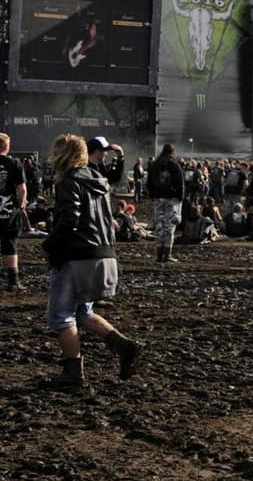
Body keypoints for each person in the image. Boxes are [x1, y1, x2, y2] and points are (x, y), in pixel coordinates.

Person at [41, 134, 143, 388]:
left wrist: (49, 245)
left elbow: (69, 220)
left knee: (61, 316)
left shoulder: (68, 181)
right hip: (102, 253)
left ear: (61, 155)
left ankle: (73, 374)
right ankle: (124, 345)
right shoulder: (99, 180)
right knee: (83, 312)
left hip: (76, 256)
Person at [146, 144, 186, 264]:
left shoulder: (155, 165)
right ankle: (167, 254)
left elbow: (149, 182)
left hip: (158, 198)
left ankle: (159, 254)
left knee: (159, 225)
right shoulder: (174, 165)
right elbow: (180, 182)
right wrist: (180, 196)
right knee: (170, 226)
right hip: (172, 198)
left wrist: (153, 195)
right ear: (172, 153)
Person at [1, 132, 29, 291]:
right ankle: (13, 281)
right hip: (8, 210)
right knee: (10, 243)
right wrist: (20, 205)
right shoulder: (15, 163)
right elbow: (22, 189)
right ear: (7, 146)